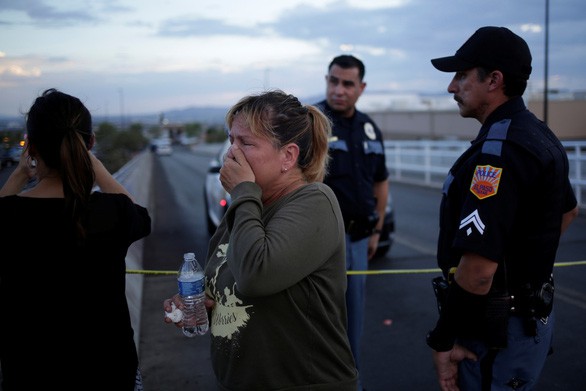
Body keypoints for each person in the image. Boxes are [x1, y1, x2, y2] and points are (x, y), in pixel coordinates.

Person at [164, 89, 358, 390]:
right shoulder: (250, 207)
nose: (232, 153)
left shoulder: (314, 202)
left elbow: (257, 275)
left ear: (288, 156)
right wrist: (202, 305)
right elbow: (234, 282)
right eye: (231, 140)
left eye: (246, 143)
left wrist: (242, 191)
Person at [425, 26, 579, 391]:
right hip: (525, 321)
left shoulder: (500, 152)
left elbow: (478, 271)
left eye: (462, 76)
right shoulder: (537, 133)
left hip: (497, 333)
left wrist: (444, 341)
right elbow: (566, 212)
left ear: (494, 79)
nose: (451, 87)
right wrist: (526, 266)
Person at [0, 88, 151, 390]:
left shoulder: (10, 215)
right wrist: (95, 166)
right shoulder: (111, 212)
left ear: (31, 148)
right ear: (90, 144)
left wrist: (17, 176)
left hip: (29, 373)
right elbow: (140, 216)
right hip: (109, 371)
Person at [315, 54, 389, 382]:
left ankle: (350, 384)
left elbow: (380, 181)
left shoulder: (370, 128)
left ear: (361, 87)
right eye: (333, 81)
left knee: (353, 321)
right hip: (320, 242)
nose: (339, 90)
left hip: (358, 240)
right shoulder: (310, 122)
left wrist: (377, 230)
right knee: (318, 322)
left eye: (347, 84)